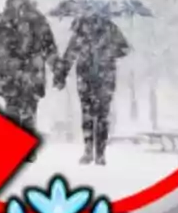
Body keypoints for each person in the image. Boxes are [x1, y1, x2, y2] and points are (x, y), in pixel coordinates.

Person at [0, 0, 58, 156]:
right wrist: (56, 68)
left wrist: (5, 44)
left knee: (13, 108)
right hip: (32, 73)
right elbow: (50, 48)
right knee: (29, 109)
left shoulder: (2, 19)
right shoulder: (39, 20)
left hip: (9, 73)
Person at [53, 12, 131, 165]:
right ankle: (99, 153)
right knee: (102, 115)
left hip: (87, 77)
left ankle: (90, 150)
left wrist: (61, 76)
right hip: (104, 77)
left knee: (88, 114)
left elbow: (70, 54)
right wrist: (110, 53)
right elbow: (125, 49)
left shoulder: (81, 30)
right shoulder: (110, 29)